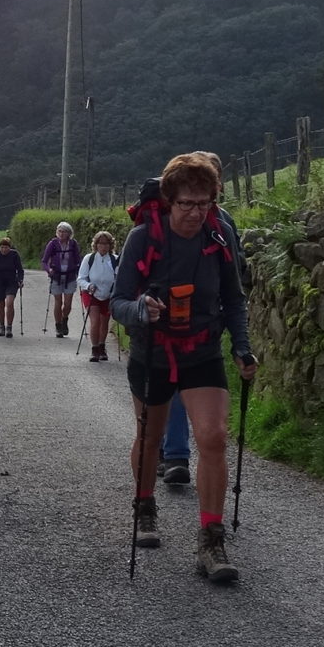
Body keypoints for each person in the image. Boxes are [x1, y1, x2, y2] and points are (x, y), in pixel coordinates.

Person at [112, 153, 257, 582]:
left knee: (213, 437)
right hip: (153, 352)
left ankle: (211, 541)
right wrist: (141, 309)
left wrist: (242, 348)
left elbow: (234, 299)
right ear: (169, 200)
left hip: (202, 351)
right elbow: (118, 301)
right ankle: (144, 506)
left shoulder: (219, 234)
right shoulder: (143, 238)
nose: (196, 212)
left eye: (204, 203)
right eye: (186, 204)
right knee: (150, 437)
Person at [159, 152, 250, 485]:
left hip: (207, 323)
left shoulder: (222, 223)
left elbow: (234, 271)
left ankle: (175, 454)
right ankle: (175, 453)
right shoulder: (164, 218)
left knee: (187, 388)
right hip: (169, 324)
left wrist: (240, 340)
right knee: (172, 384)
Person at [78, 231, 119, 360]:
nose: (103, 246)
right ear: (96, 245)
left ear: (110, 245)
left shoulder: (115, 260)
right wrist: (89, 285)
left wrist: (115, 291)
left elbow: (119, 278)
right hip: (91, 293)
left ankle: (102, 346)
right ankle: (94, 349)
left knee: (104, 322)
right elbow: (81, 279)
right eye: (101, 243)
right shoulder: (89, 258)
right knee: (95, 321)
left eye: (106, 243)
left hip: (108, 295)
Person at [42, 221, 81, 337]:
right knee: (58, 302)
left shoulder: (73, 244)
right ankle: (58, 326)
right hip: (56, 276)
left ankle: (64, 319)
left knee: (68, 303)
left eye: (64, 231)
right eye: (59, 231)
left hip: (70, 276)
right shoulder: (52, 244)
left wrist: (79, 272)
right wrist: (48, 270)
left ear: (69, 233)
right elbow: (44, 261)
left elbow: (78, 260)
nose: (61, 233)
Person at [0, 236, 24, 336]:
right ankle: (1, 327)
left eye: (6, 247)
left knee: (9, 303)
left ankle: (9, 327)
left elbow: (20, 270)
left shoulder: (14, 255)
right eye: (2, 247)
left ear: (9, 247)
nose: (4, 249)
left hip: (12, 282)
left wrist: (20, 280)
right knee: (0, 304)